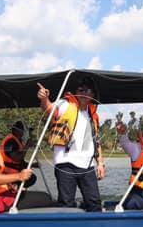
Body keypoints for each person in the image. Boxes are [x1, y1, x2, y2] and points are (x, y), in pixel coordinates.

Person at [37, 75, 104, 211]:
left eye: (88, 91)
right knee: (66, 202)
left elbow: (96, 141)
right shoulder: (65, 104)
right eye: (81, 90)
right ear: (76, 92)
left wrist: (100, 163)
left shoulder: (93, 115)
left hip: (88, 165)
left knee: (94, 202)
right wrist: (44, 99)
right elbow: (49, 110)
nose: (84, 93)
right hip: (66, 163)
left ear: (93, 94)